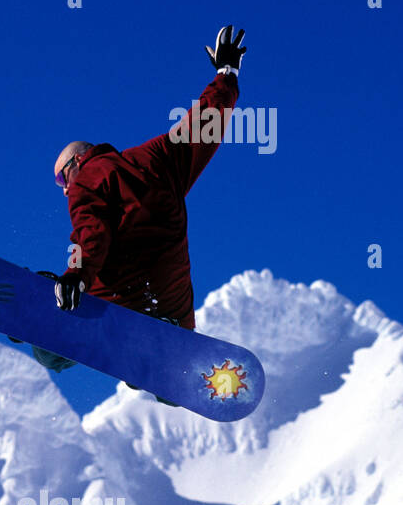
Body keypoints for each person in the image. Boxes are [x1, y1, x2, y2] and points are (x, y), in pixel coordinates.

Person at [31, 25, 246, 382]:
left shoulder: (88, 178)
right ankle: (167, 358)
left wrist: (75, 275)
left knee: (48, 348)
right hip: (174, 312)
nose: (65, 191)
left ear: (75, 163)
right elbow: (206, 122)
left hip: (122, 306)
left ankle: (40, 318)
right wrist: (226, 73)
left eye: (61, 180)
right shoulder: (159, 157)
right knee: (160, 353)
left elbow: (90, 234)